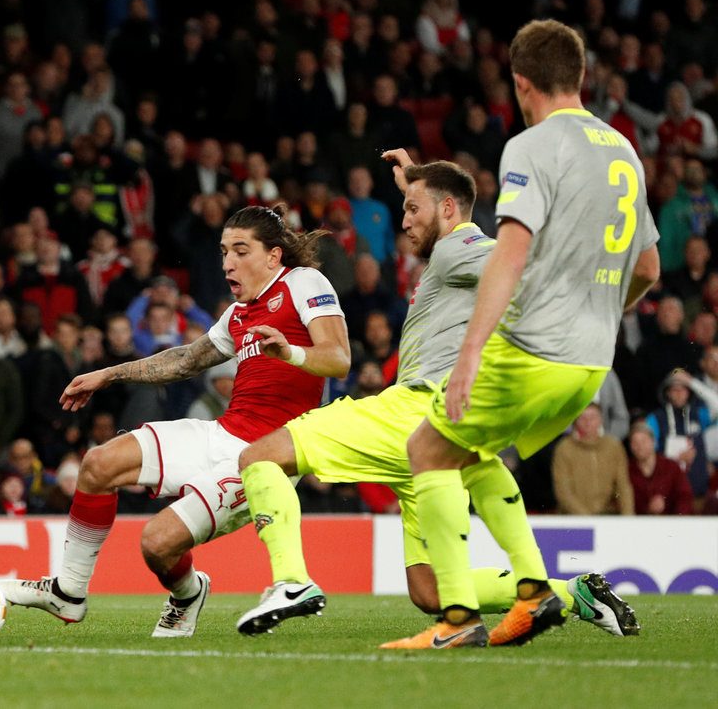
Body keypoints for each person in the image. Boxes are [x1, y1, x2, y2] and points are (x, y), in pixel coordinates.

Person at [235, 152, 639, 641]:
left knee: (260, 456)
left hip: (413, 409)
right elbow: (468, 231)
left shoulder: (456, 247)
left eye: (412, 210)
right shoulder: (451, 246)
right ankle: (574, 594)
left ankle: (291, 581)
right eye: (403, 209)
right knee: (429, 591)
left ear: (447, 209)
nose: (404, 221)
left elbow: (513, 262)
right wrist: (415, 184)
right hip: (438, 429)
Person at [388, 20, 659, 649]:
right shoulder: (624, 149)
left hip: (534, 350)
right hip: (591, 363)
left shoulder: (532, 145)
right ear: (581, 75)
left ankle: (459, 622)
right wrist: (596, 313)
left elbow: (509, 256)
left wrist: (470, 355)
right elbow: (647, 268)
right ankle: (538, 592)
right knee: (471, 453)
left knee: (425, 451)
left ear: (519, 83)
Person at [1, 202, 351, 638]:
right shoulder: (238, 314)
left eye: (240, 251)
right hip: (222, 431)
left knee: (156, 543)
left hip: (264, 457)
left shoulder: (302, 282)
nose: (227, 263)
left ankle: (187, 593)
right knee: (98, 464)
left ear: (273, 256)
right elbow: (186, 359)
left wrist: (291, 352)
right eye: (224, 252)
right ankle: (68, 591)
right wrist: (109, 374)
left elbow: (339, 358)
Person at [551, 404, 635, 515]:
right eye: (583, 417)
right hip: (574, 518)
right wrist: (587, 518)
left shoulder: (614, 447)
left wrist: (628, 516)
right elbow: (563, 491)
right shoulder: (564, 448)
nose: (587, 422)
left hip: (607, 516)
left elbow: (623, 486)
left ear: (601, 420)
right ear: (576, 421)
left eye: (592, 417)